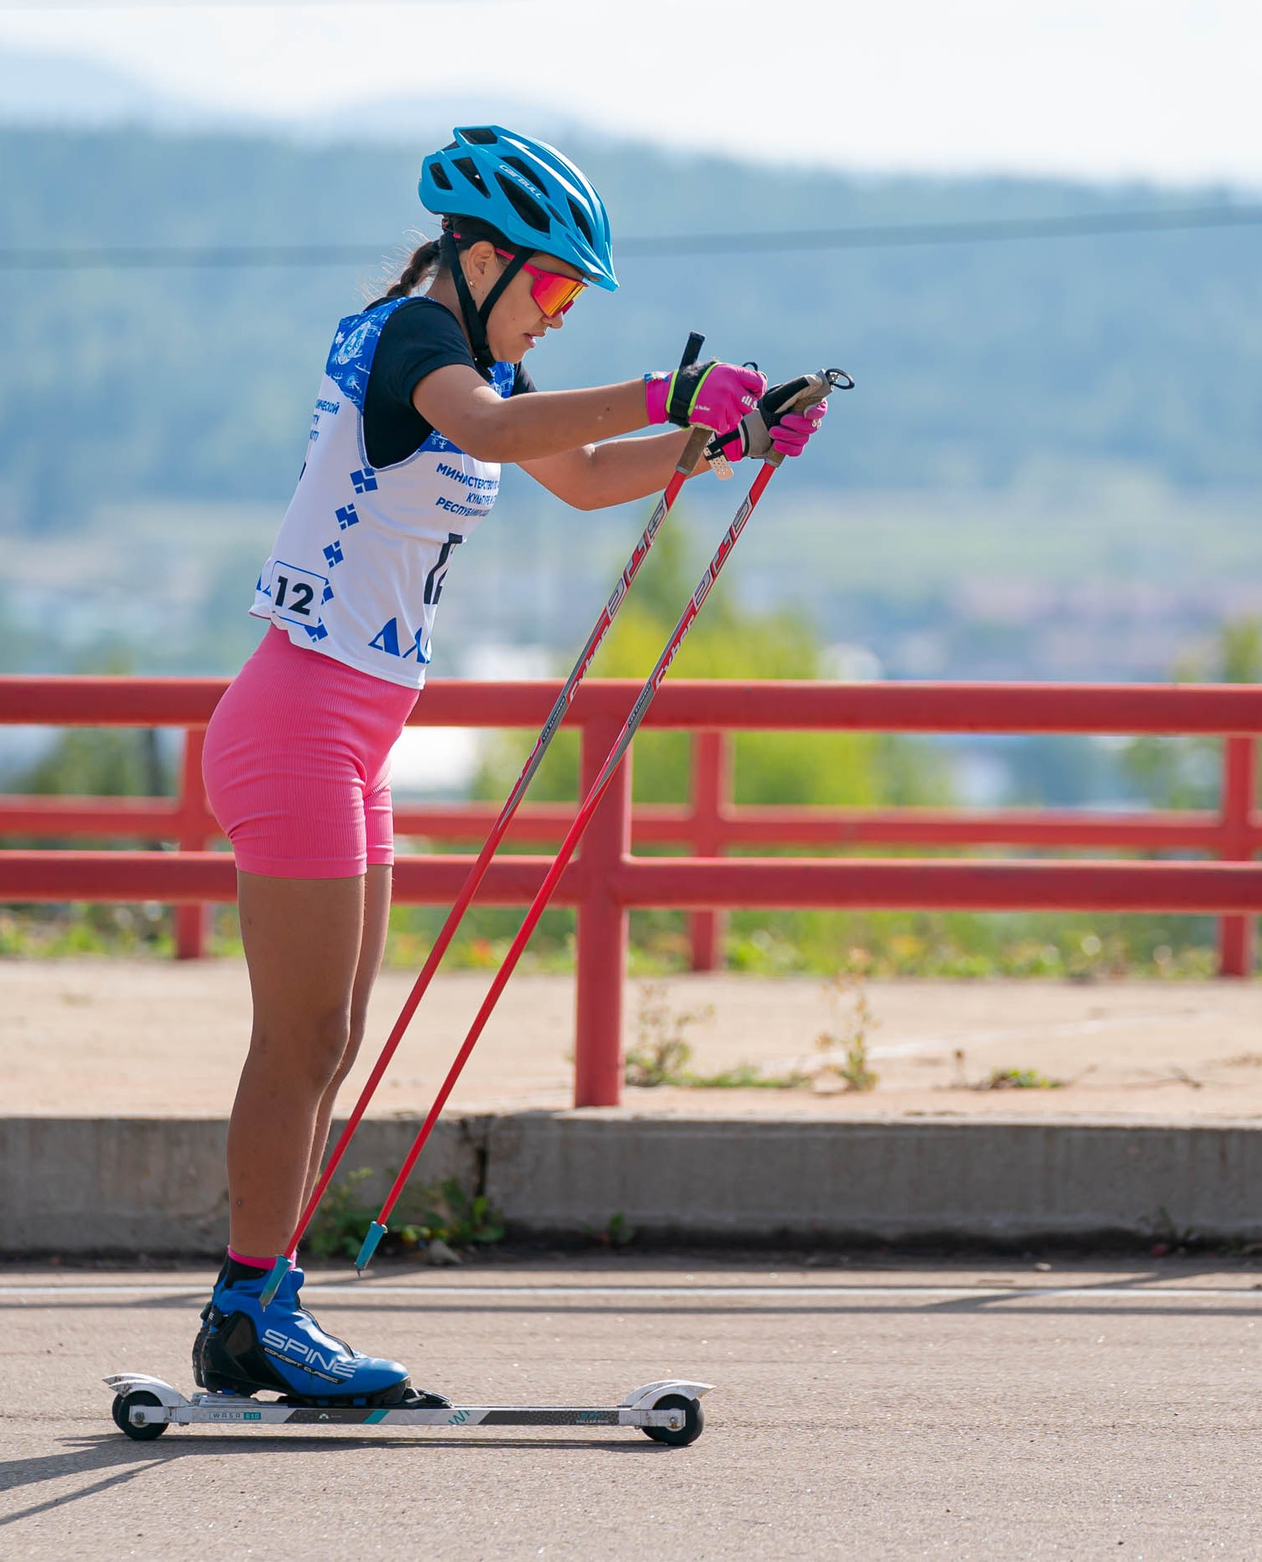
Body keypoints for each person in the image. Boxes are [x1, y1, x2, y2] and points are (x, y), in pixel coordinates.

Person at [191, 126, 826, 1406]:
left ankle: (262, 1306)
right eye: (550, 289)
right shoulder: (418, 346)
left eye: (572, 300)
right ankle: (247, 1308)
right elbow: (491, 421)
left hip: (353, 727)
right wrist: (663, 390)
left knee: (332, 1037)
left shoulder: (467, 351)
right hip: (300, 719)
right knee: (300, 1034)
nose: (556, 315)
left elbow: (586, 479)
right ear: (478, 258)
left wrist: (731, 437)